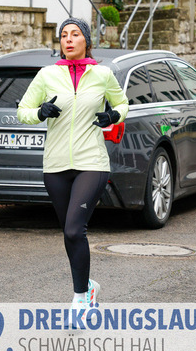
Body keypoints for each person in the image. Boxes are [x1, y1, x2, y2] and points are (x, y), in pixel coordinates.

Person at [17, 18, 129, 314]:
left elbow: (123, 104)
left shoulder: (103, 74)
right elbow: (23, 111)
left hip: (92, 161)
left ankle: (80, 298)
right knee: (69, 232)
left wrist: (112, 116)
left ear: (86, 41)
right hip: (55, 165)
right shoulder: (47, 75)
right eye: (64, 35)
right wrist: (40, 112)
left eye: (75, 34)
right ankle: (87, 286)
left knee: (74, 229)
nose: (68, 39)